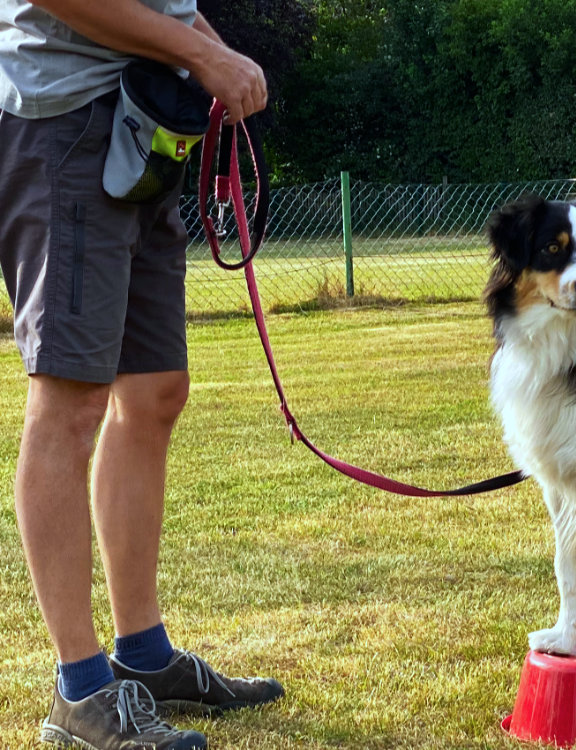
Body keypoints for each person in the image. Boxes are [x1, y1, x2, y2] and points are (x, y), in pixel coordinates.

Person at [1, 1, 281, 748]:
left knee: (154, 393)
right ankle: (81, 689)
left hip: (143, 117)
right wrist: (205, 57)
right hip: (65, 122)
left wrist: (210, 56)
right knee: (70, 401)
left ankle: (144, 656)